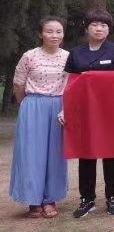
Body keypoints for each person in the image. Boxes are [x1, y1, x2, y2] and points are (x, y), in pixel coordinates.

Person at [66, 9, 114, 218]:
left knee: (111, 154)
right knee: (87, 154)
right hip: (84, 110)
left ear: (109, 29)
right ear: (87, 28)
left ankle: (113, 197)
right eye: (94, 24)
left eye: (103, 25)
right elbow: (70, 83)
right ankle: (87, 199)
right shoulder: (76, 53)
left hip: (109, 110)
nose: (99, 28)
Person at [9, 17, 69, 218]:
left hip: (59, 106)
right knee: (31, 154)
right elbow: (18, 84)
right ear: (40, 34)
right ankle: (33, 200)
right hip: (33, 105)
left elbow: (72, 84)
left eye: (58, 31)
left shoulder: (68, 57)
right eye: (49, 31)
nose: (54, 35)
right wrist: (26, 104)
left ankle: (50, 199)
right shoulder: (29, 56)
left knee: (55, 153)